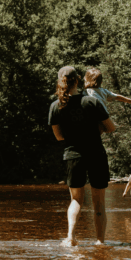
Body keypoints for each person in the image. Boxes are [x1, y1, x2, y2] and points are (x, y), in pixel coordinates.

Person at [48, 65, 116, 246]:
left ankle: (71, 237)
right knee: (99, 202)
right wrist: (96, 130)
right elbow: (111, 127)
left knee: (76, 199)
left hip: (73, 156)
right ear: (78, 80)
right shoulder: (92, 102)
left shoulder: (55, 106)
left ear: (59, 82)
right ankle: (100, 242)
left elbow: (59, 137)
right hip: (96, 154)